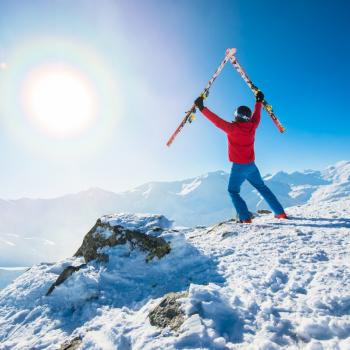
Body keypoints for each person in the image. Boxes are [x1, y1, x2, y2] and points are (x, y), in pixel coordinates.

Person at [194, 91, 288, 223]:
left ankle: (245, 218)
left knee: (233, 191)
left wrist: (202, 108)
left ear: (236, 116)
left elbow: (217, 121)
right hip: (251, 166)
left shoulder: (232, 128)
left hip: (238, 167)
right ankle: (280, 213)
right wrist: (259, 101)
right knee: (262, 187)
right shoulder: (253, 126)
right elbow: (257, 115)